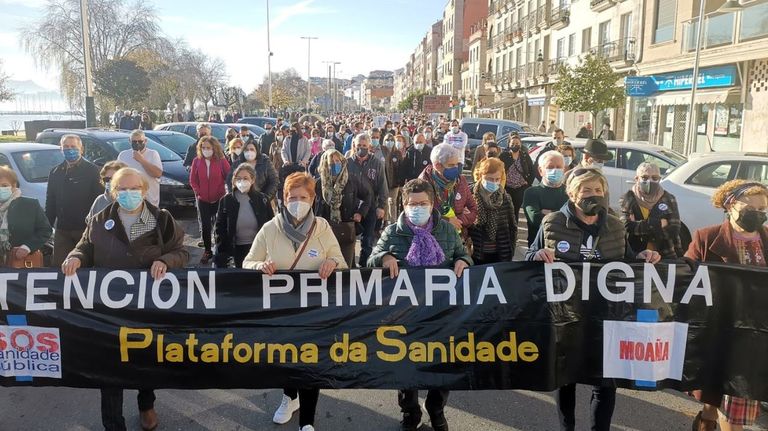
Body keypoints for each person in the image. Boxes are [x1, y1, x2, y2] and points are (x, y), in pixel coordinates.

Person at [527, 167, 660, 431]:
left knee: (605, 383)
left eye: (598, 190)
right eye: (586, 190)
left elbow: (627, 259)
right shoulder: (552, 223)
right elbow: (532, 254)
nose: (593, 195)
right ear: (572, 193)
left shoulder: (615, 226)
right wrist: (537, 255)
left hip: (606, 318)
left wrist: (643, 257)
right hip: (566, 317)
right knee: (566, 380)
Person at [62, 167, 188, 431]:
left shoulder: (161, 219)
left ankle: (146, 405)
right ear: (112, 191)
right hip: (108, 309)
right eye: (122, 189)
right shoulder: (100, 219)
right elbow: (85, 246)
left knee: (144, 361)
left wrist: (165, 260)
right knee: (108, 367)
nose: (128, 193)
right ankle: (113, 423)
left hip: (146, 307)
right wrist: (76, 256)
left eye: (134, 189)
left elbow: (181, 252)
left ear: (144, 190)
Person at [243, 172, 346, 431]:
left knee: (312, 363)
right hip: (281, 311)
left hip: (315, 312)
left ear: (312, 199)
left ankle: (307, 422)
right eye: (292, 197)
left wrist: (331, 262)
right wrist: (260, 265)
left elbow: (342, 262)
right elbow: (247, 262)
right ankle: (289, 397)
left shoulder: (322, 227)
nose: (297, 201)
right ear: (284, 198)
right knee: (286, 359)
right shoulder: (270, 228)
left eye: (303, 197)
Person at [367, 178, 472, 431]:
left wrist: (464, 262)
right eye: (412, 204)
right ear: (403, 204)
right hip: (405, 316)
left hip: (441, 313)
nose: (417, 208)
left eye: (423, 203)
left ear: (432, 202)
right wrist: (385, 256)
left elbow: (463, 254)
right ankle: (410, 412)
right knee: (406, 367)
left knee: (443, 362)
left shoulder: (447, 230)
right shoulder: (393, 232)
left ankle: (436, 409)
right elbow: (370, 260)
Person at [686, 180, 767, 431]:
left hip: (757, 337)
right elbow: (686, 281)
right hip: (720, 333)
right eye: (751, 206)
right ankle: (709, 416)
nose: (758, 213)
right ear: (731, 204)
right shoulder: (706, 237)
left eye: (763, 208)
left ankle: (708, 417)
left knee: (732, 403)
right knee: (726, 402)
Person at [46, 134, 103, 267]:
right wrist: (46, 226)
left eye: (73, 146)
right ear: (61, 149)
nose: (69, 149)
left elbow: (99, 200)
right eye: (66, 146)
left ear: (81, 149)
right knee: (59, 266)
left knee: (84, 266)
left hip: (84, 230)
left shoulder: (92, 170)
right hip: (62, 230)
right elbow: (50, 201)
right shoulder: (55, 172)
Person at [315, 149, 372, 267]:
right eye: (331, 163)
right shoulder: (319, 183)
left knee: (346, 265)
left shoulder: (351, 180)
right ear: (325, 165)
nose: (336, 164)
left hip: (346, 228)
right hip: (326, 229)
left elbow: (367, 195)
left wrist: (360, 213)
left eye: (338, 161)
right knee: (328, 263)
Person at [214, 164, 274, 268]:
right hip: (235, 251)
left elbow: (272, 224)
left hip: (258, 249)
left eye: (246, 178)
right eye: (239, 178)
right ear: (234, 180)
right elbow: (219, 229)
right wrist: (222, 253)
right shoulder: (226, 201)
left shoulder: (262, 199)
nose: (242, 181)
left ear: (253, 180)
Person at [620, 162, 683, 260]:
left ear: (659, 179)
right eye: (644, 177)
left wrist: (639, 227)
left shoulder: (669, 199)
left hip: (665, 253)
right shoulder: (627, 199)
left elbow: (674, 230)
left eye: (654, 178)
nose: (650, 181)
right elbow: (626, 227)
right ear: (637, 179)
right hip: (636, 255)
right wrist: (659, 224)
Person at [418, 143, 477, 236]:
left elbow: (473, 208)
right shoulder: (422, 185)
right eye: (451, 165)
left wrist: (459, 221)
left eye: (456, 164)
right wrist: (447, 221)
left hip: (457, 237)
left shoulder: (460, 180)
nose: (455, 168)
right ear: (437, 165)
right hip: (433, 238)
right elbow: (421, 215)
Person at [347, 133, 388, 267]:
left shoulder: (376, 163)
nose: (361, 148)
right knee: (350, 238)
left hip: (371, 206)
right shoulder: (347, 162)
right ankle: (351, 265)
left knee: (368, 239)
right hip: (352, 207)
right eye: (359, 145)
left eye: (364, 145)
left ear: (369, 146)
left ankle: (364, 266)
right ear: (354, 145)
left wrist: (381, 206)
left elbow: (383, 185)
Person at [189, 136, 231, 264]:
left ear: (214, 148)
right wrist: (198, 191)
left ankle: (222, 251)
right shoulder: (196, 161)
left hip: (219, 198)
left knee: (220, 226)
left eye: (208, 148)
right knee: (206, 226)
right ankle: (207, 251)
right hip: (203, 199)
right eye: (203, 148)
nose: (206, 150)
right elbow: (193, 180)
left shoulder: (221, 161)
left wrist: (226, 191)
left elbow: (229, 177)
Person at [0, 166, 52, 267]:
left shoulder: (30, 204)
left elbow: (45, 230)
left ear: (13, 185)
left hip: (21, 263)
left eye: (4, 185)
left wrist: (27, 247)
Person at [468, 158, 518, 264]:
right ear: (481, 176)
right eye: (490, 179)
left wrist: (511, 250)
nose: (494, 182)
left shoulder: (505, 197)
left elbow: (512, 227)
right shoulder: (469, 195)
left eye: (497, 179)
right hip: (475, 253)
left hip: (500, 253)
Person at [523, 150, 568, 246]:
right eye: (550, 167)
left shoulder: (570, 192)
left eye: (559, 167)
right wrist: (562, 213)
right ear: (540, 170)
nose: (555, 170)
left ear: (564, 169)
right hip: (539, 247)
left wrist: (548, 213)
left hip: (565, 246)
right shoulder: (532, 192)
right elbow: (535, 219)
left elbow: (574, 219)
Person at [117, 130, 163, 208]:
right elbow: (118, 177)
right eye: (134, 142)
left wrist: (141, 160)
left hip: (150, 201)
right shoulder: (123, 155)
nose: (137, 144)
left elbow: (157, 174)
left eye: (140, 141)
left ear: (145, 141)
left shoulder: (153, 154)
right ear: (129, 141)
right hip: (131, 201)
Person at [498, 132, 534, 221]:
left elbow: (532, 170)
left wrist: (528, 183)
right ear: (509, 144)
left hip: (520, 187)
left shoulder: (525, 156)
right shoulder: (504, 155)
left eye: (517, 143)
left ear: (520, 144)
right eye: (513, 143)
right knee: (506, 209)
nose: (515, 145)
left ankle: (514, 229)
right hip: (507, 187)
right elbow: (498, 169)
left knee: (515, 209)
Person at [383, 134, 405, 223]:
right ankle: (385, 220)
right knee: (384, 202)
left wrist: (400, 183)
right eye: (387, 140)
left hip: (394, 183)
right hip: (383, 182)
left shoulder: (397, 153)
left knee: (392, 202)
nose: (390, 142)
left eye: (392, 140)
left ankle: (393, 221)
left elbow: (401, 169)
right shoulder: (382, 152)